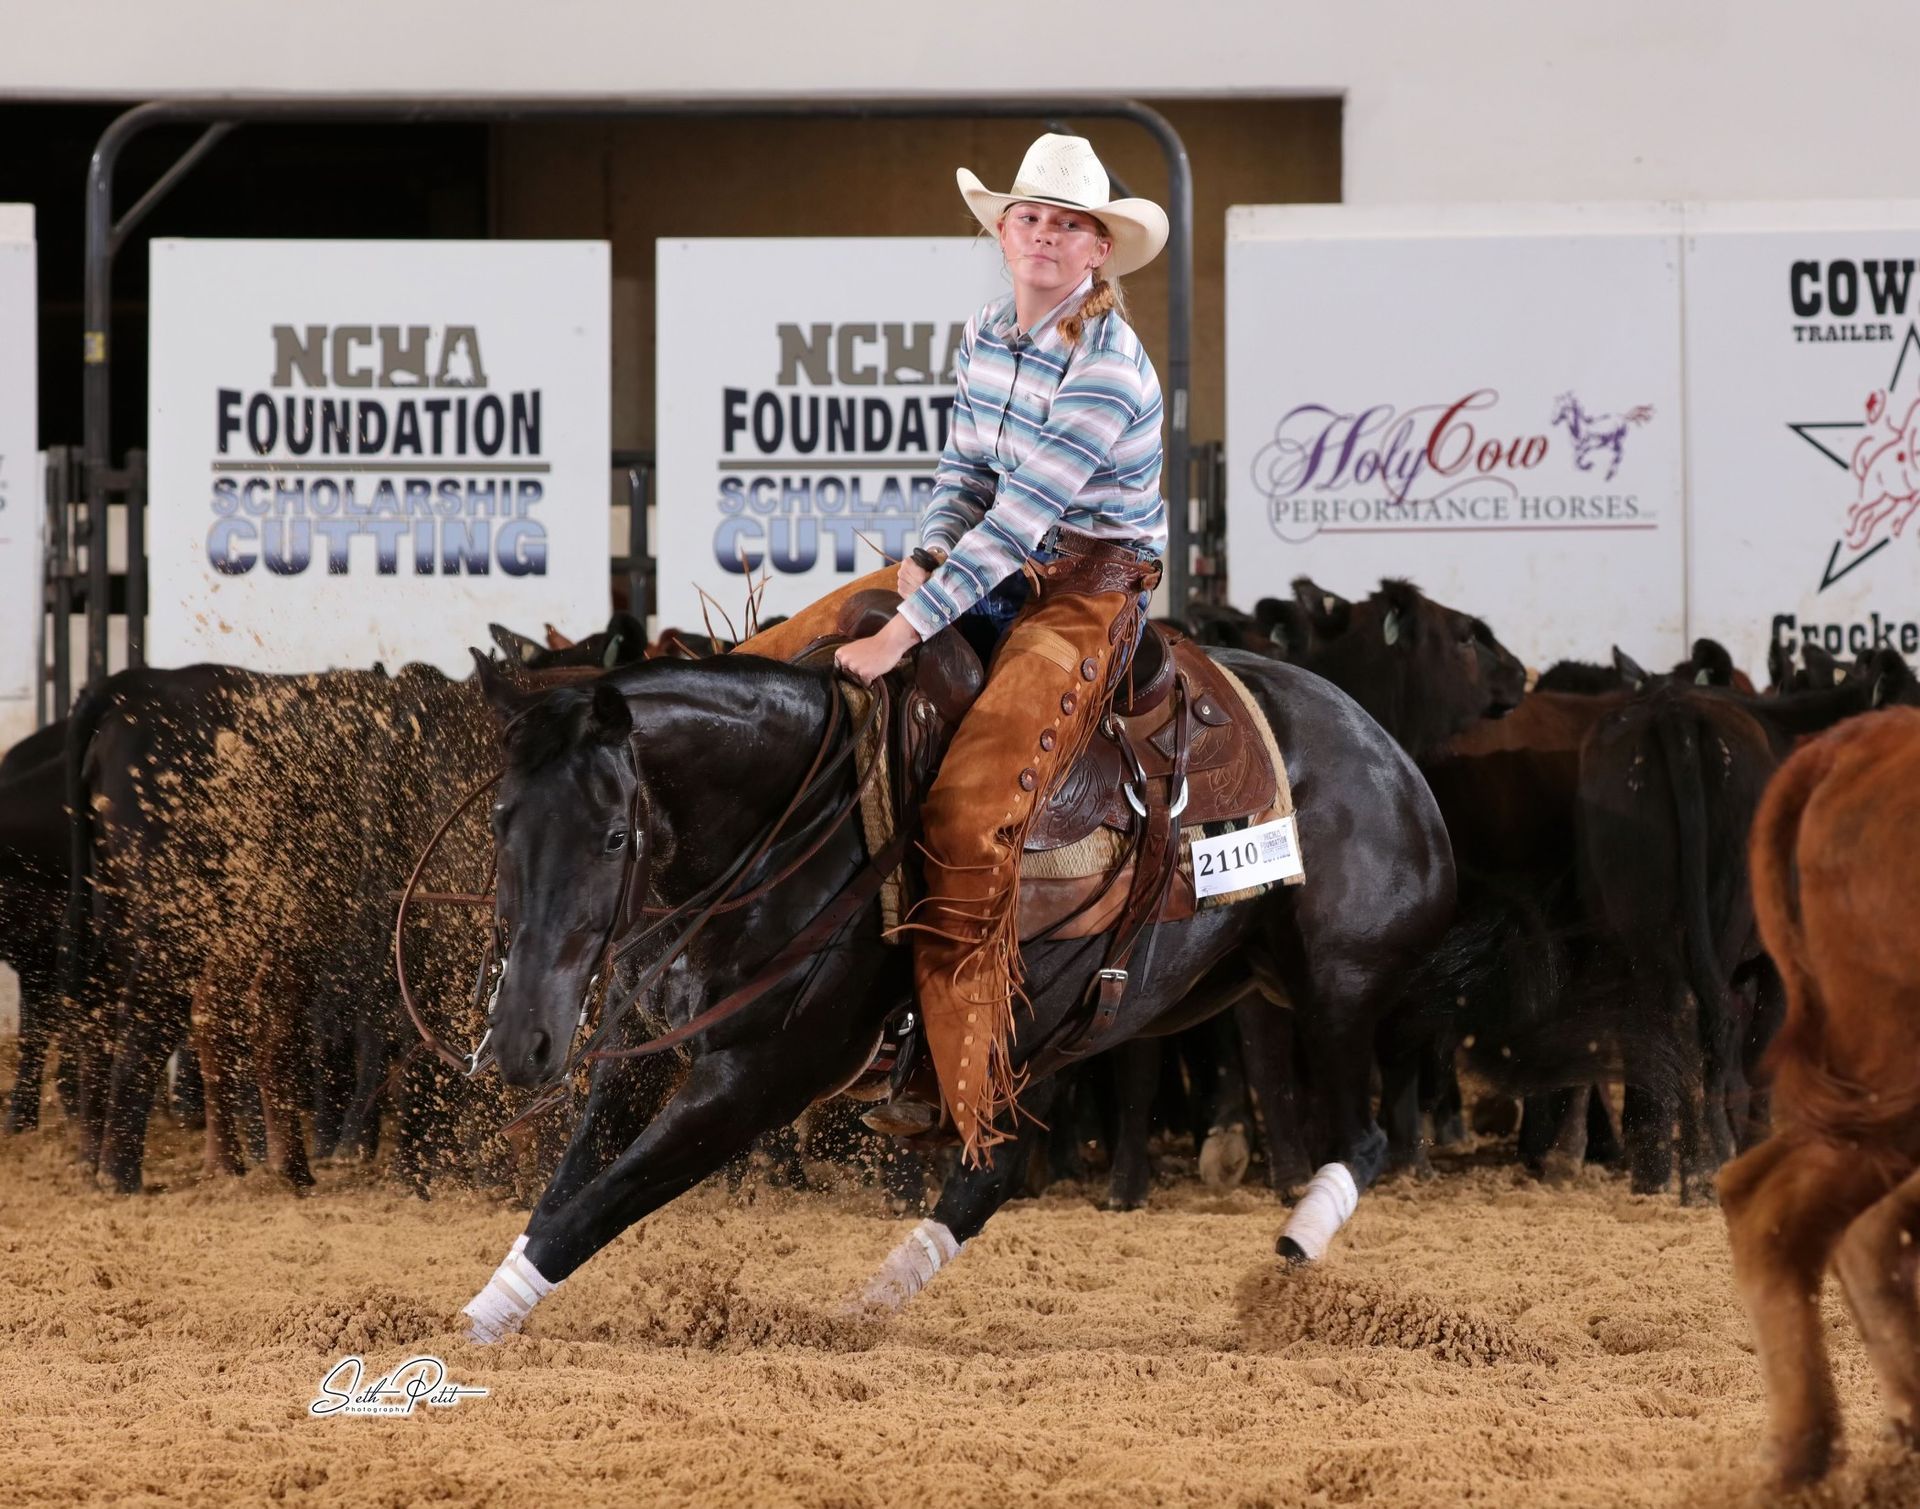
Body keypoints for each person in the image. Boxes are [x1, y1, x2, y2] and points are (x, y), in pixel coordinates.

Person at [832, 133, 1170, 1163]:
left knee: (979, 803)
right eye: (1031, 217)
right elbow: (964, 474)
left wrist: (908, 625)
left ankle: (961, 1080)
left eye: (1070, 223)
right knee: (818, 660)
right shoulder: (987, 331)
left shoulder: (1108, 365)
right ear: (1005, 232)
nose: (1046, 235)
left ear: (1099, 250)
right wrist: (928, 551)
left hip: (1086, 593)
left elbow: (1024, 516)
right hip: (1000, 570)